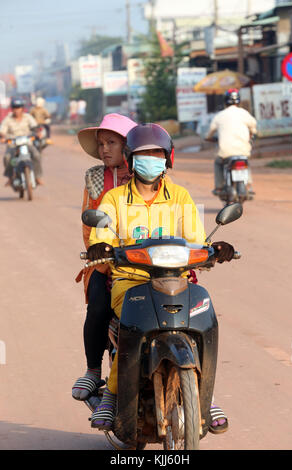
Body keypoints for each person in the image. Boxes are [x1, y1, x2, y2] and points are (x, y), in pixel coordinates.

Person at [86, 123, 234, 433]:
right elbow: (101, 234)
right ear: (130, 159)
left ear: (167, 159)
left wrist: (214, 251)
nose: (150, 159)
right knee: (132, 327)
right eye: (143, 154)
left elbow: (196, 240)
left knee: (204, 316)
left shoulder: (180, 197)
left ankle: (205, 394)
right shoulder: (113, 199)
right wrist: (101, 245)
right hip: (130, 280)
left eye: (156, 154)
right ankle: (112, 395)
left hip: (176, 279)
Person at [72, 113, 137, 402]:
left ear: (129, 145)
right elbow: (90, 227)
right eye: (101, 144)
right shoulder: (96, 178)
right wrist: (102, 253)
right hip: (106, 263)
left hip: (146, 260)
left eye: (112, 142)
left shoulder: (147, 174)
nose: (105, 150)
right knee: (98, 307)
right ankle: (92, 370)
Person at [206, 88, 257, 195]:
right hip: (243, 151)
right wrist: (252, 133)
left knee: (218, 163)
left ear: (225, 101)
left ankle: (219, 186)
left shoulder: (219, 116)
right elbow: (253, 126)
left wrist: (209, 137)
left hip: (226, 152)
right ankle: (248, 185)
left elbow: (210, 132)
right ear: (239, 100)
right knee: (245, 162)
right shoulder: (244, 113)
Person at [0, 97, 44, 185]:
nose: (17, 110)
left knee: (36, 155)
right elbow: (2, 131)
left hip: (27, 143)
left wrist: (38, 133)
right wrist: (3, 137)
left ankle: (37, 177)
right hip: (13, 144)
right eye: (15, 108)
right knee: (7, 158)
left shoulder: (28, 117)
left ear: (22, 108)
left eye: (19, 108)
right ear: (12, 109)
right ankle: (10, 177)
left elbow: (34, 127)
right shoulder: (8, 119)